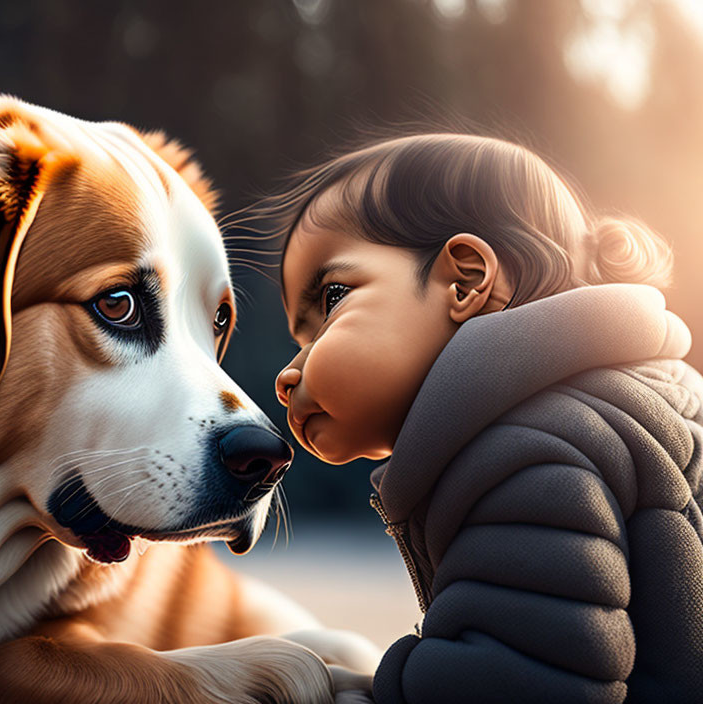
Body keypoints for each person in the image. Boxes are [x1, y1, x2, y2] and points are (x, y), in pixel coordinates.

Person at [262, 133, 703, 703]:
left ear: (465, 280)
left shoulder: (530, 453)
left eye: (331, 300)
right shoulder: (650, 399)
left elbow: (519, 684)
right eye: (299, 341)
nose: (288, 374)